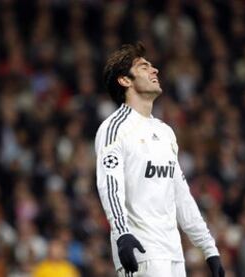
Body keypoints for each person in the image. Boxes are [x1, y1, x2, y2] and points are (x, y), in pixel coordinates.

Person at [95, 42, 225, 277]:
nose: (154, 70)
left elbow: (181, 195)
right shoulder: (114, 128)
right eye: (144, 66)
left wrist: (209, 248)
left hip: (173, 254)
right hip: (140, 251)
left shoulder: (165, 132)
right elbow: (110, 186)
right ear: (125, 81)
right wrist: (123, 233)